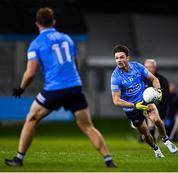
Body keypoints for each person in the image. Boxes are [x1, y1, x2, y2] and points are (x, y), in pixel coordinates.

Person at [5, 7, 117, 168]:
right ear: (54, 22)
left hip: (53, 90)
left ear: (37, 24)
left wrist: (21, 88)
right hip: (74, 87)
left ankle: (19, 158)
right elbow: (76, 64)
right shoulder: (67, 39)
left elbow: (30, 73)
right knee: (87, 126)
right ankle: (108, 160)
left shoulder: (36, 44)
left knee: (31, 118)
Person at [110, 44, 177, 158]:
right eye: (117, 58)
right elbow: (116, 100)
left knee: (157, 120)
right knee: (145, 133)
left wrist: (159, 91)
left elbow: (154, 79)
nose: (119, 60)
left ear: (127, 57)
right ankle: (156, 149)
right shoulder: (115, 77)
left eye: (121, 57)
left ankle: (166, 140)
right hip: (132, 108)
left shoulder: (137, 67)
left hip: (145, 100)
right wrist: (135, 105)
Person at [144, 59, 170, 141]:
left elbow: (165, 95)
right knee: (148, 124)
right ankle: (152, 142)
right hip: (145, 106)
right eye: (146, 67)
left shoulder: (162, 80)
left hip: (160, 106)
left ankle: (163, 138)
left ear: (155, 68)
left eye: (150, 67)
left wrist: (156, 101)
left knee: (158, 124)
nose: (148, 69)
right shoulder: (142, 79)